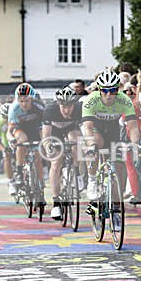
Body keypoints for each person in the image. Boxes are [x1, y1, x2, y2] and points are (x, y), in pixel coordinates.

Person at [80, 71, 140, 216]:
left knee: (119, 167)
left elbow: (132, 127)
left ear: (117, 90)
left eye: (113, 90)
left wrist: (136, 144)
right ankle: (93, 180)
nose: (108, 94)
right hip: (95, 129)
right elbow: (87, 127)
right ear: (99, 90)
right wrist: (91, 146)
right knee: (95, 144)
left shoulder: (124, 100)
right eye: (105, 91)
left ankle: (116, 204)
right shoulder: (91, 100)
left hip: (113, 132)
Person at [42, 86, 84, 220]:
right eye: (63, 107)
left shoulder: (79, 108)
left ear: (74, 104)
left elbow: (85, 130)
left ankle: (76, 172)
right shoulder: (50, 110)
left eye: (70, 106)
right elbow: (46, 136)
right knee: (56, 162)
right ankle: (56, 203)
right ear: (58, 104)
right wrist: (49, 147)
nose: (67, 110)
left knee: (76, 140)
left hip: (71, 130)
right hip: (55, 133)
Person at [8, 83, 46, 195]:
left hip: (35, 128)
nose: (23, 104)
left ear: (32, 99)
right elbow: (9, 131)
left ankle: (40, 186)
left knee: (38, 159)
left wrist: (46, 141)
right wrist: (11, 139)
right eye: (21, 101)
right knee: (22, 141)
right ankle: (19, 171)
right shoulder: (14, 109)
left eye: (26, 101)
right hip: (20, 129)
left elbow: (45, 127)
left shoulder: (39, 106)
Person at [0, 104, 15, 193]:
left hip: (17, 139)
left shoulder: (17, 117)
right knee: (7, 158)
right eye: (5, 117)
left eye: (9, 117)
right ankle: (11, 181)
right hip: (6, 142)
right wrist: (3, 150)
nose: (7, 119)